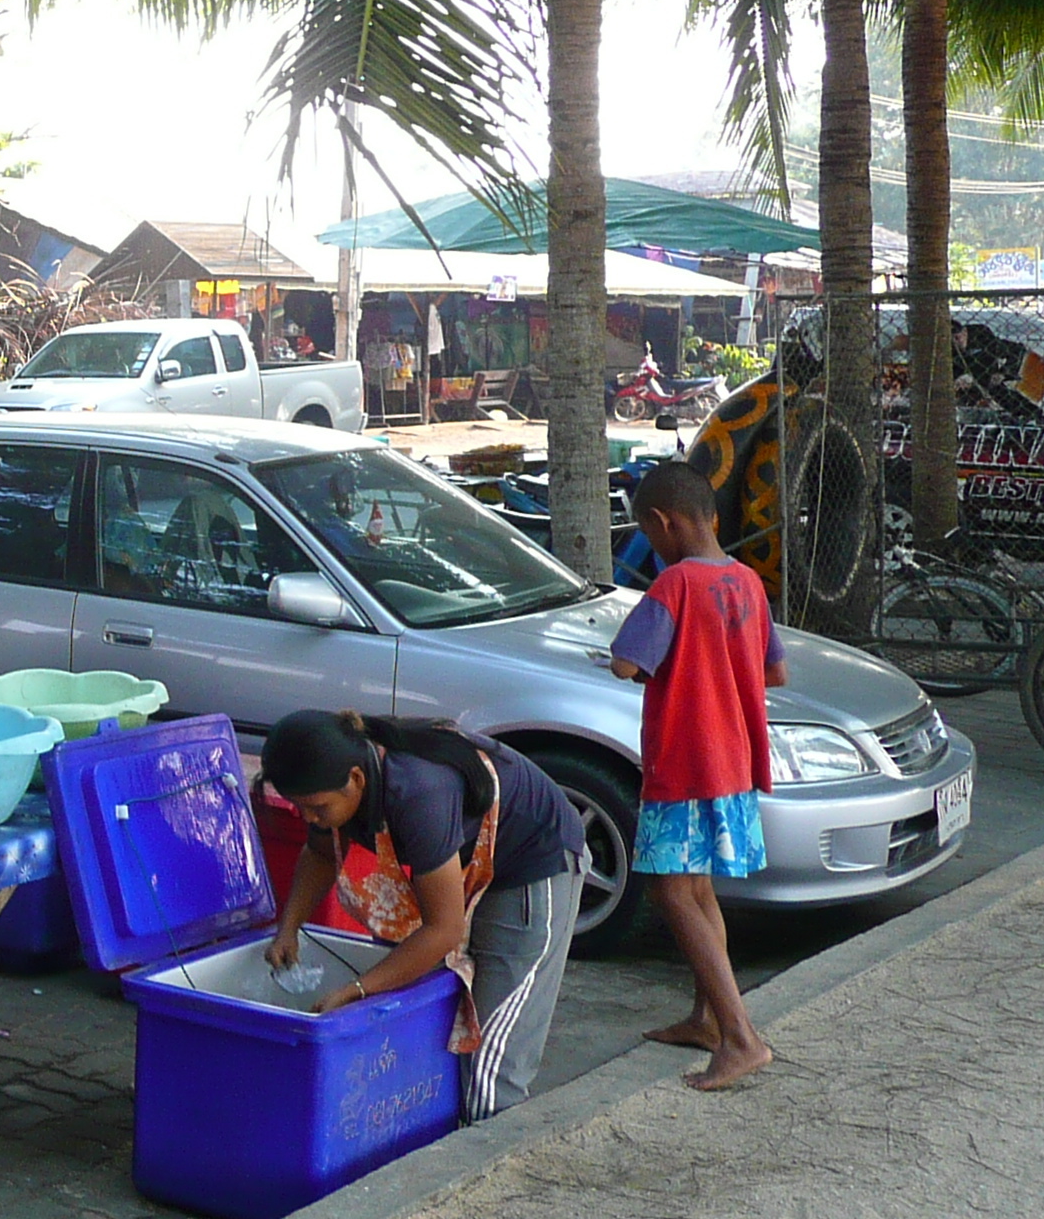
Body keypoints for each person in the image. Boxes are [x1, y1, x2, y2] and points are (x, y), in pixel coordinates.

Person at [260, 708, 589, 1122]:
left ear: (356, 780)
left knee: (490, 1057)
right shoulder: (339, 778)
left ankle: (480, 1157)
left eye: (317, 808)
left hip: (532, 863)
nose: (309, 818)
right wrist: (288, 929)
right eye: (300, 808)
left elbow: (444, 929)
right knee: (422, 1010)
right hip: (467, 862)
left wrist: (356, 990)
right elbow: (321, 852)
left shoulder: (417, 792)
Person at [606, 458, 784, 1092]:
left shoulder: (674, 586)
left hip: (684, 761)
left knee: (671, 893)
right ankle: (707, 1019)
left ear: (663, 522)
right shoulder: (749, 583)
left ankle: (740, 1037)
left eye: (648, 536)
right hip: (734, 759)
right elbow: (775, 672)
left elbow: (626, 664)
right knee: (700, 889)